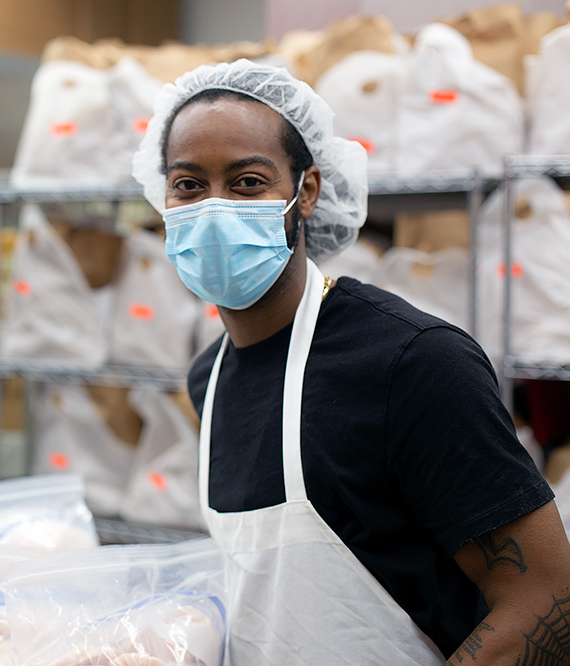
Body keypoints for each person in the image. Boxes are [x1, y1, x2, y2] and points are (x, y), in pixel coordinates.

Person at [132, 60, 570, 665]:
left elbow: (548, 595)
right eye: (187, 185)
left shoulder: (411, 362)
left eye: (248, 182)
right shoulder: (210, 377)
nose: (213, 209)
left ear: (306, 191)